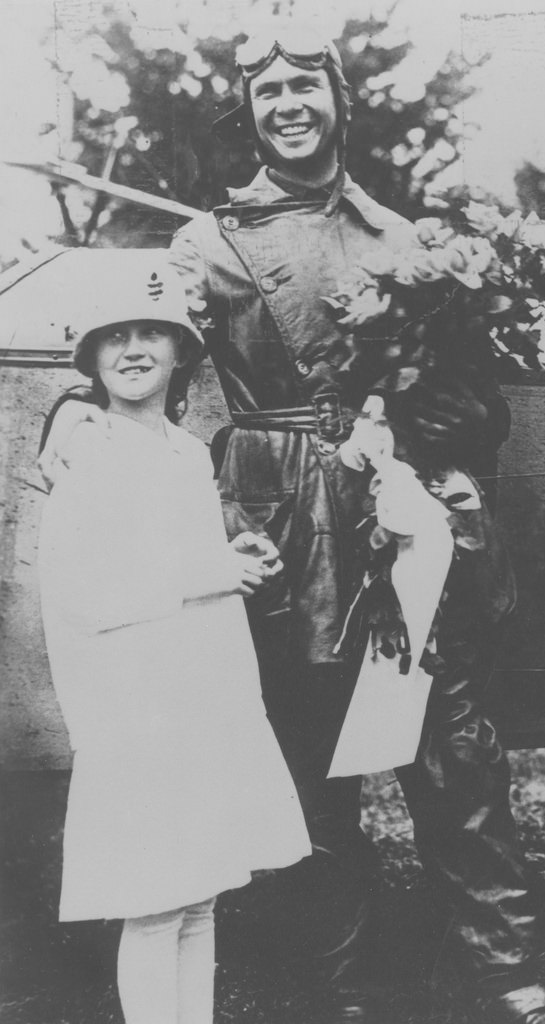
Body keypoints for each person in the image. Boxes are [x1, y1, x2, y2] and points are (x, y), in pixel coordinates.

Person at [39, 23, 545, 1024]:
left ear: (341, 103)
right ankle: (341, 986)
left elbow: (480, 410)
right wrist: (75, 407)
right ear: (248, 112)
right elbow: (146, 345)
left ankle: (506, 967)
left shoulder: (409, 240)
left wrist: (400, 419)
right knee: (307, 747)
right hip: (278, 517)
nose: (287, 103)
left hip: (397, 512)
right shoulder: (208, 239)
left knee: (450, 742)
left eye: (305, 86)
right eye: (268, 89)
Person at [37, 253, 312, 1024]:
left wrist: (240, 560)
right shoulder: (87, 447)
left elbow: (193, 562)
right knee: (155, 905)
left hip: (205, 702)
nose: (133, 350)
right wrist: (210, 573)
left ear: (181, 351)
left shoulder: (188, 453)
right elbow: (86, 591)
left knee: (201, 893)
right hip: (137, 712)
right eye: (114, 336)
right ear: (89, 357)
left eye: (152, 334)